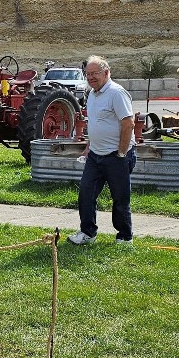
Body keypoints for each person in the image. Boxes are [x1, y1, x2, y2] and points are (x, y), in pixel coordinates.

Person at [68, 55, 136, 246]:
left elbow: (128, 124)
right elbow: (95, 124)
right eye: (87, 74)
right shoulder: (92, 94)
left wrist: (121, 154)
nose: (90, 77)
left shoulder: (117, 93)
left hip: (117, 156)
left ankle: (124, 237)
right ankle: (87, 233)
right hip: (95, 156)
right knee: (86, 194)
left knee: (120, 198)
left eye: (94, 74)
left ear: (106, 73)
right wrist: (89, 148)